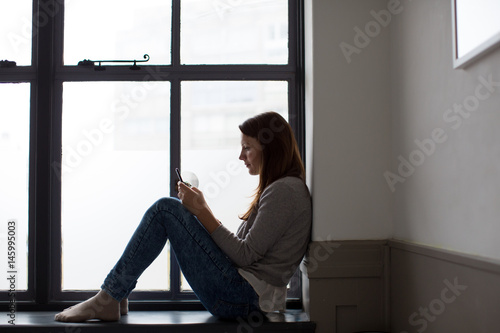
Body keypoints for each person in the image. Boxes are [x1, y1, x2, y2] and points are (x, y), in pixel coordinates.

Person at [54, 111, 312, 322]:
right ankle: (114, 295)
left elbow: (244, 255)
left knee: (166, 209)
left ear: (270, 149)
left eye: (247, 148)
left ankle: (109, 297)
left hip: (244, 298)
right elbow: (243, 253)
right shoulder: (281, 188)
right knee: (168, 209)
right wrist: (203, 209)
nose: (241, 156)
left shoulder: (285, 191)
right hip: (243, 294)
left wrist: (201, 211)